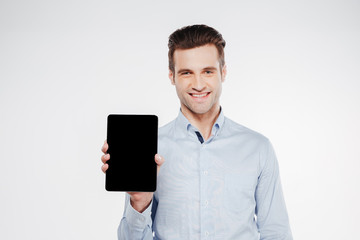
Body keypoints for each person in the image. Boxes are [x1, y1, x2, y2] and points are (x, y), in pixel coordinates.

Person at [101, 24, 293, 240]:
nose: (198, 84)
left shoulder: (258, 148)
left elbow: (276, 233)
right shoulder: (152, 148)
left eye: (208, 71)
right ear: (172, 76)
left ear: (223, 72)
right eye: (186, 73)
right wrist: (139, 202)